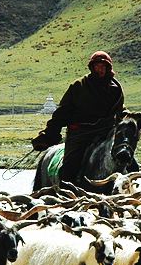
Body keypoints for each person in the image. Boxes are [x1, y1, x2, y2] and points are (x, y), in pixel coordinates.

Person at [31, 50, 127, 186]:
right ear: (92, 68)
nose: (100, 69)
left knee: (130, 163)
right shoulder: (79, 86)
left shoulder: (115, 89)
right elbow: (62, 113)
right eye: (97, 66)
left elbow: (120, 110)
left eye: (103, 66)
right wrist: (49, 135)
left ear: (108, 68)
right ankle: (65, 191)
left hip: (107, 134)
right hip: (80, 134)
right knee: (70, 167)